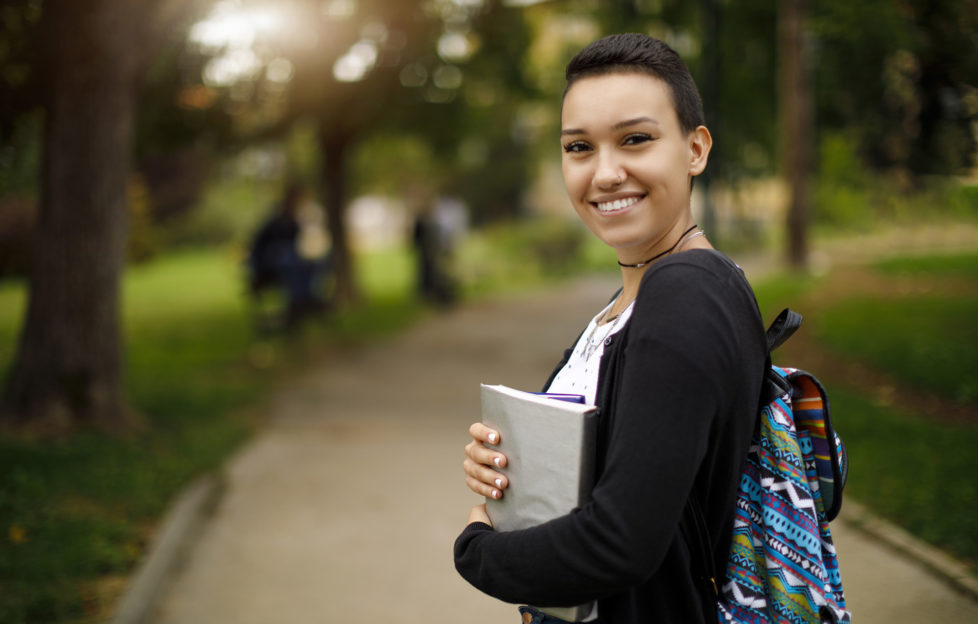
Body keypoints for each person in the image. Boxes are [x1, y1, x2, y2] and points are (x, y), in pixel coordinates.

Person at [453, 33, 768, 624]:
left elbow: (620, 542)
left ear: (696, 148)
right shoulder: (633, 301)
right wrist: (511, 462)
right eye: (579, 147)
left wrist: (479, 553)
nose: (605, 173)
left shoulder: (685, 295)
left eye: (636, 140)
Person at [247, 184, 331, 326]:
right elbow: (264, 250)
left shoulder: (294, 223)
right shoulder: (277, 222)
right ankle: (299, 301)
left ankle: (306, 298)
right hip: (269, 267)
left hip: (288, 263)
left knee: (316, 262)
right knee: (288, 258)